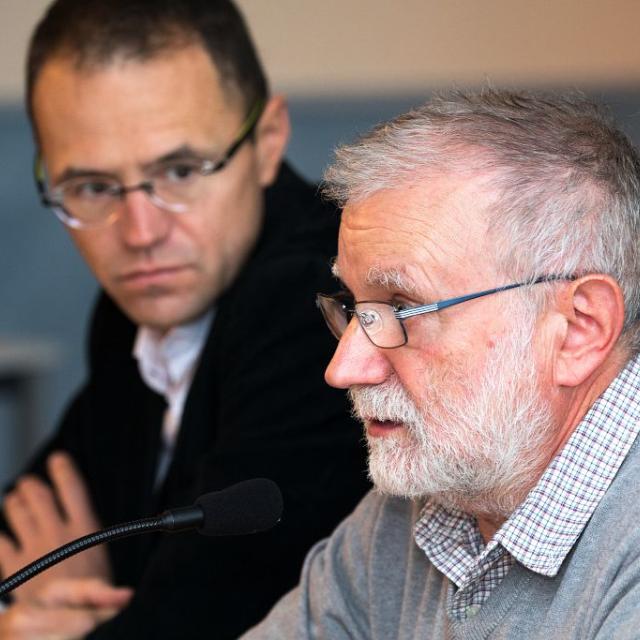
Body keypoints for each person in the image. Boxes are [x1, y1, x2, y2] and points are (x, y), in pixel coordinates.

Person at [0, 0, 369, 637]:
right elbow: (32, 516)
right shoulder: (139, 305)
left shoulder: (318, 307)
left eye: (179, 171)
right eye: (91, 187)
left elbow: (200, 625)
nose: (140, 234)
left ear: (266, 141)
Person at [241, 89, 640, 638]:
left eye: (402, 309)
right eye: (355, 307)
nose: (344, 368)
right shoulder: (411, 511)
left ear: (578, 330)